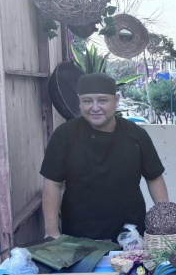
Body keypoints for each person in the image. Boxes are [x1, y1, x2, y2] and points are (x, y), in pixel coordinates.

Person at [40, 73, 168, 240]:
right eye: (87, 101)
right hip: (78, 235)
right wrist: (51, 231)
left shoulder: (136, 135)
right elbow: (52, 184)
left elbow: (154, 178)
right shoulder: (65, 135)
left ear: (116, 100)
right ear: (79, 102)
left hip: (131, 235)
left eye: (102, 100)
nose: (95, 108)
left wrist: (165, 222)